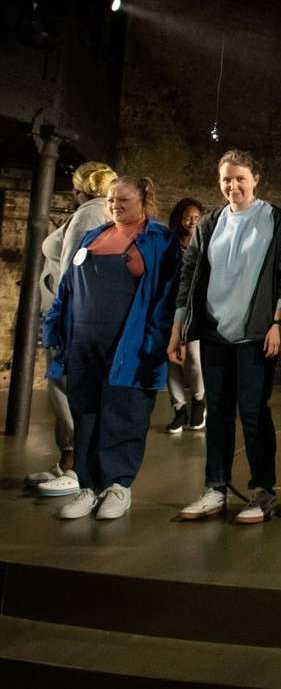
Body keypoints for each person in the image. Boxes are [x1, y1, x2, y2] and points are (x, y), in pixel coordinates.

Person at [169, 150, 281, 525]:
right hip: (214, 333)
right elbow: (189, 275)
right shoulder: (209, 223)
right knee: (218, 413)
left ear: (255, 178)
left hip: (255, 332)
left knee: (253, 412)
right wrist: (178, 328)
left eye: (240, 178)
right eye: (227, 178)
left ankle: (263, 490)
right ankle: (216, 487)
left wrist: (277, 321)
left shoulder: (276, 219)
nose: (233, 185)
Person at [42, 176, 179, 519]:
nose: (116, 206)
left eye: (124, 201)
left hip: (129, 345)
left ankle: (118, 487)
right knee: (85, 412)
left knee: (125, 414)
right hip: (83, 343)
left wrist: (156, 339)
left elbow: (168, 296)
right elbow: (67, 290)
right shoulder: (93, 236)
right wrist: (55, 327)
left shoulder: (159, 240)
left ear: (144, 201)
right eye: (112, 201)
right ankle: (87, 486)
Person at [27, 161, 117, 497]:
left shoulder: (89, 213)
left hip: (69, 316)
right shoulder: (94, 212)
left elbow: (71, 271)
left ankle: (75, 465)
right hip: (73, 314)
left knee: (65, 385)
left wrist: (63, 318)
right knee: (66, 385)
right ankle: (69, 458)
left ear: (80, 187)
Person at [164, 197, 207, 434]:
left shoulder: (205, 242)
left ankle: (199, 401)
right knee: (171, 362)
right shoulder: (168, 243)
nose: (192, 221)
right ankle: (179, 409)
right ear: (179, 218)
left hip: (194, 310)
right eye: (187, 216)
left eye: (197, 218)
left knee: (193, 356)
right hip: (167, 308)